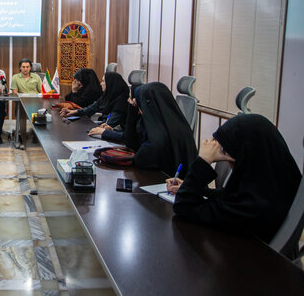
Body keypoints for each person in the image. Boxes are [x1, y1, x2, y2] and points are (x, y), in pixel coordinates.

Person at [166, 114, 301, 244]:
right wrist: (194, 189)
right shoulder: (268, 187)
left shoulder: (250, 209)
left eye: (225, 150)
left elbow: (184, 207)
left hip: (245, 263)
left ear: (244, 154)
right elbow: (230, 195)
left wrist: (203, 161)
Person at [92, 82, 196, 176]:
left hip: (164, 186)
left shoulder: (156, 138)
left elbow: (139, 157)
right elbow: (131, 141)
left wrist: (132, 110)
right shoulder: (173, 123)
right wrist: (133, 110)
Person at [61, 72, 129, 128]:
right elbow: (92, 108)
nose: (101, 83)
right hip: (103, 126)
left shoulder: (121, 101)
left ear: (110, 83)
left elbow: (110, 124)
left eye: (103, 81)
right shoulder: (107, 96)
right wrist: (75, 111)